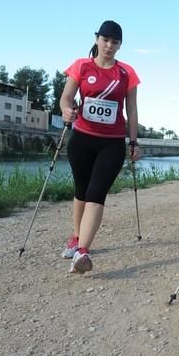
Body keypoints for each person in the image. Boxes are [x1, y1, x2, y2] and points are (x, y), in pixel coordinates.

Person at [59, 20, 141, 274]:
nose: (109, 45)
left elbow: (132, 109)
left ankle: (82, 251)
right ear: (97, 39)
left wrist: (134, 141)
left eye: (114, 42)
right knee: (81, 191)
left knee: (97, 192)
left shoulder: (126, 73)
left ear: (120, 45)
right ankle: (76, 237)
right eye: (105, 40)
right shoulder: (81, 66)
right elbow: (66, 97)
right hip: (82, 139)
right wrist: (65, 110)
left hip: (112, 143)